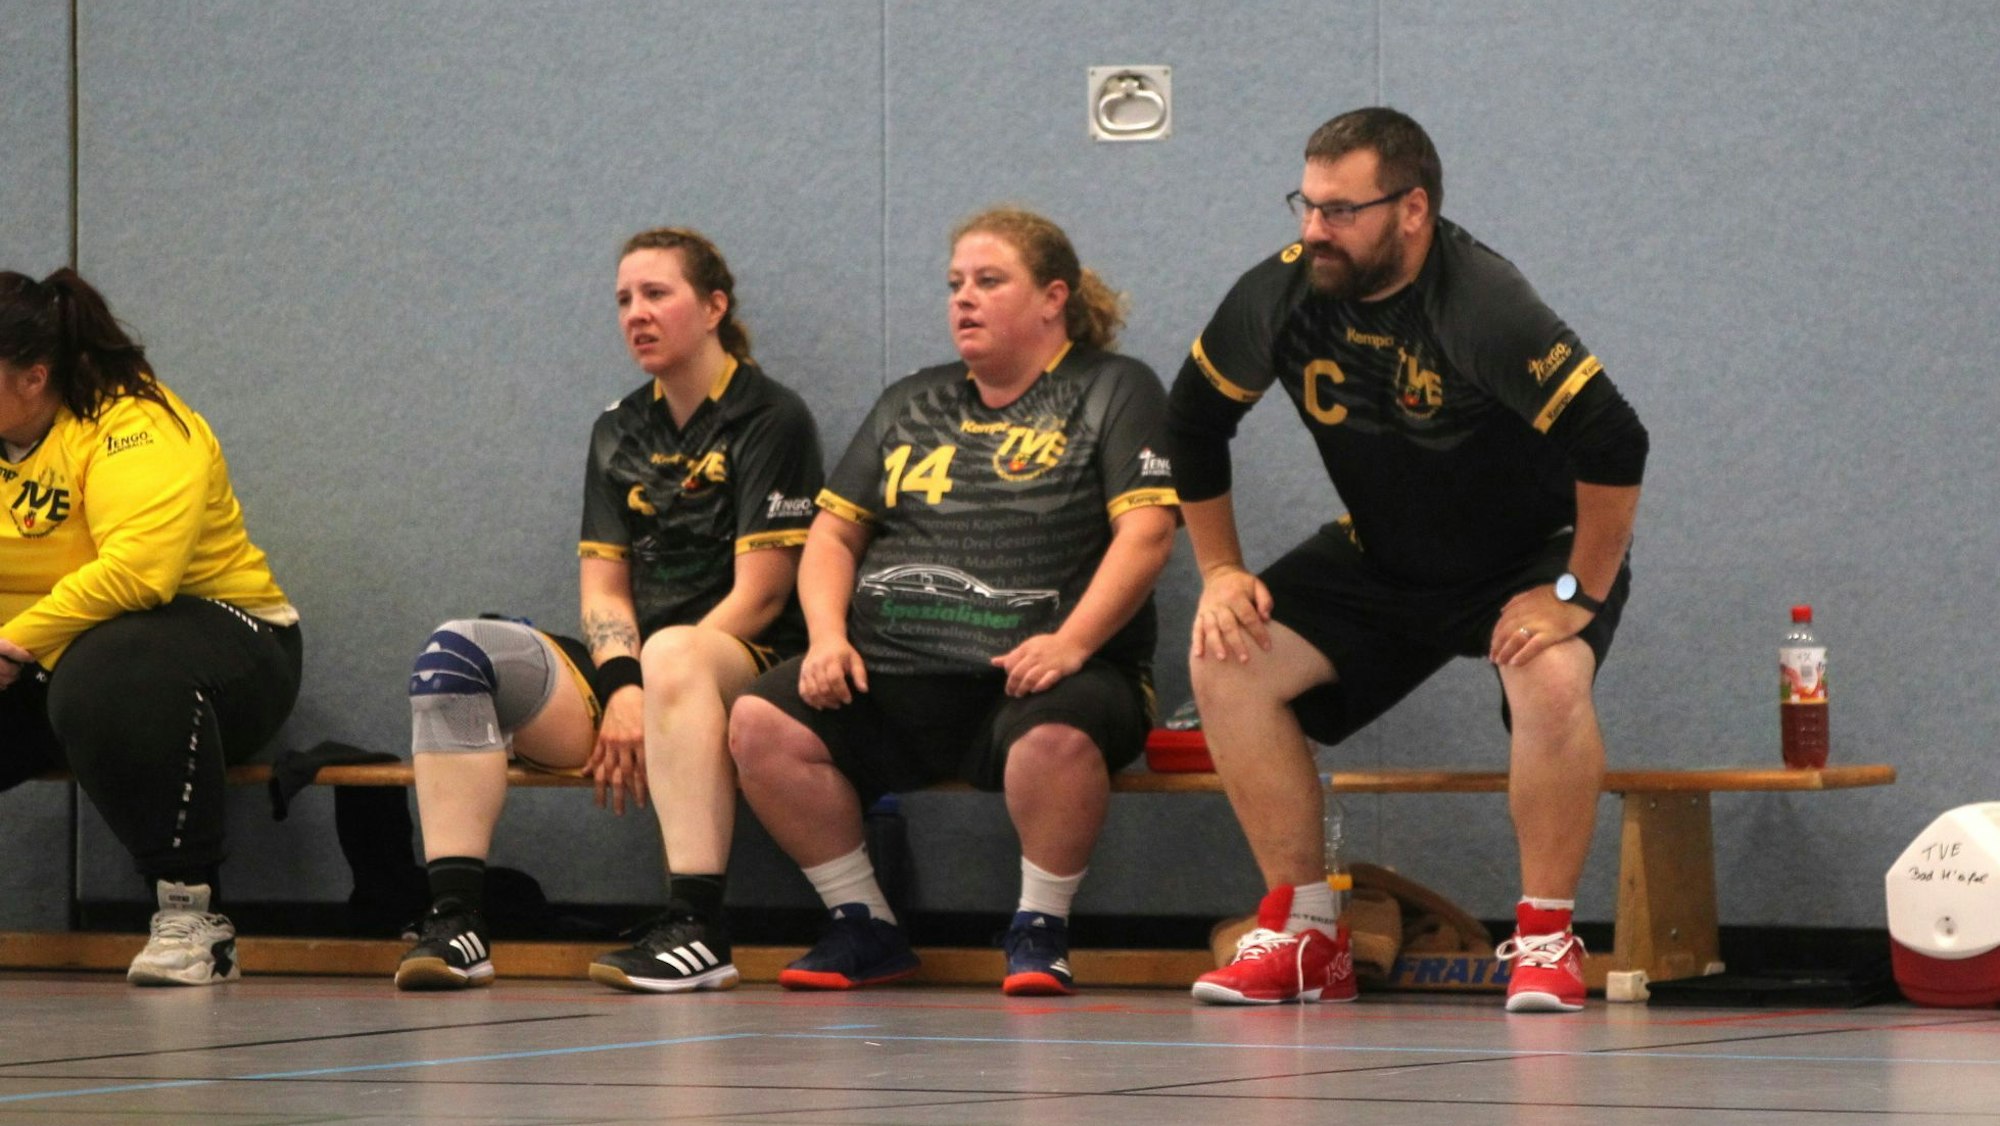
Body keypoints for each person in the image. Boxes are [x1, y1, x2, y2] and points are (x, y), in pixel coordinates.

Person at [1167, 107, 1649, 1013]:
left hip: (1526, 554)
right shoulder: (1279, 294)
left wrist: (1578, 591)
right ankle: (1306, 936)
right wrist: (1223, 572)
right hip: (1388, 552)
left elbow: (1615, 441)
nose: (1314, 230)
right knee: (1226, 654)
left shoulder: (1483, 306)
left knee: (1548, 674)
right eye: (1305, 206)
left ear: (1413, 209)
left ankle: (1546, 940)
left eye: (1340, 210)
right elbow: (1192, 422)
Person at [728, 207, 1179, 997]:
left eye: (989, 281)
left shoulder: (1114, 388)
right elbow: (832, 538)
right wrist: (828, 636)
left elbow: (1147, 534)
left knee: (1056, 739)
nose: (963, 299)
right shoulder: (911, 401)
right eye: (954, 285)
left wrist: (1070, 644)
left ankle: (1040, 929)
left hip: (1046, 678)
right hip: (894, 680)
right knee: (759, 721)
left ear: (1052, 298)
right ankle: (863, 924)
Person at [394, 228, 822, 992]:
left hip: (741, 667)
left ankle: (699, 928)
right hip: (636, 675)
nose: (636, 314)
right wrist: (624, 683)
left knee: (676, 653)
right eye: (624, 299)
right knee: (453, 654)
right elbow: (603, 591)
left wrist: (654, 680)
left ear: (714, 305)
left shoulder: (771, 418)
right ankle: (457, 922)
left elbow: (763, 596)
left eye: (657, 294)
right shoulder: (618, 427)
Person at [0, 268, 303, 986]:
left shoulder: (134, 422)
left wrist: (15, 642)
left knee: (109, 666)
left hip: (226, 644)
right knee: (81, 668)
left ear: (34, 377)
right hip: (52, 655)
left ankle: (192, 918)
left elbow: (141, 574)